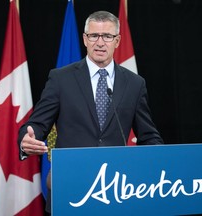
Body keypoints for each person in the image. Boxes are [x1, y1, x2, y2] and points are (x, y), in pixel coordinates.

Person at [18, 10, 163, 215]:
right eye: (94, 36)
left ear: (117, 40)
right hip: (71, 187)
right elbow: (37, 125)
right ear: (85, 39)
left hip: (115, 190)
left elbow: (148, 135)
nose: (100, 42)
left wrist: (162, 157)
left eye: (107, 36)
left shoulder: (134, 84)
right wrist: (26, 138)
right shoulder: (61, 79)